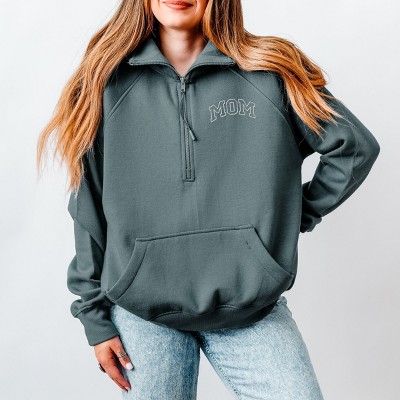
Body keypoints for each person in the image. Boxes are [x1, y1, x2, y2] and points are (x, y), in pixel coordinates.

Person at [36, 1, 381, 399]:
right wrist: (94, 319)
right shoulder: (104, 81)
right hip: (142, 310)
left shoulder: (272, 69)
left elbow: (354, 148)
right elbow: (88, 208)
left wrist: (289, 216)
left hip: (250, 306)